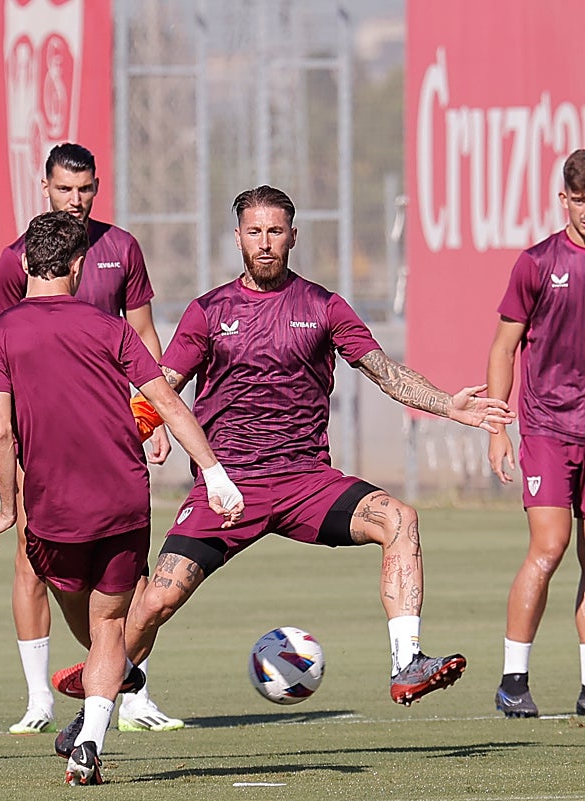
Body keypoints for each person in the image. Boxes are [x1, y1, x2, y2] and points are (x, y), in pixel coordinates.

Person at [53, 185, 516, 727]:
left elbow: (385, 372)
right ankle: (95, 704)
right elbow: (162, 388)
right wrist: (116, 440)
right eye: (255, 232)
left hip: (306, 485)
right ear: (238, 238)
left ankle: (407, 662)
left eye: (276, 231)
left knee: (400, 519)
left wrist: (447, 405)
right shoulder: (209, 311)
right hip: (228, 486)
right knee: (155, 602)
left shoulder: (323, 306)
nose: (266, 243)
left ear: (293, 236)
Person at [0, 211, 243, 785]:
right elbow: (167, 401)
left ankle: (93, 726)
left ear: (23, 265)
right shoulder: (110, 328)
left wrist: (5, 505)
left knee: (91, 624)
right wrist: (215, 472)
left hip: (51, 510)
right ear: (76, 266)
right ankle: (102, 710)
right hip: (124, 500)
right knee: (109, 628)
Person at [0, 142, 182, 736]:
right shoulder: (20, 258)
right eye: (65, 189)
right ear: (43, 187)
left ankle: (133, 692)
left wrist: (153, 420)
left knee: (128, 568)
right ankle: (40, 698)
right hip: (41, 436)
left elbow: (144, 336)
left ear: (98, 188)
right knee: (31, 560)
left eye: (86, 190)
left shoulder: (120, 249)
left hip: (112, 432)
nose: (76, 200)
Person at [487, 149, 585, 718]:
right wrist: (498, 428)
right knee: (550, 548)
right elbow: (504, 346)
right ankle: (514, 680)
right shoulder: (537, 263)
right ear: (563, 199)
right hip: (549, 427)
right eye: (579, 200)